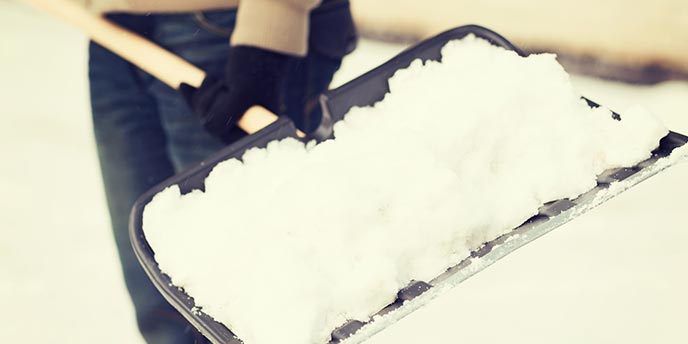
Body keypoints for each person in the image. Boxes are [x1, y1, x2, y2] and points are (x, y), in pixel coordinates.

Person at [84, 0, 357, 342]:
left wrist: (272, 28)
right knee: (161, 299)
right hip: (111, 28)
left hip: (228, 32)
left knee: (253, 301)